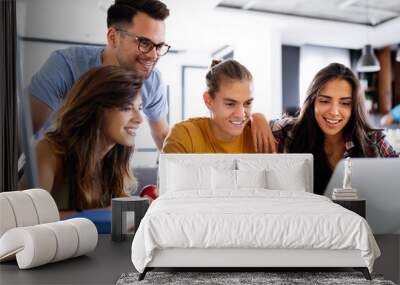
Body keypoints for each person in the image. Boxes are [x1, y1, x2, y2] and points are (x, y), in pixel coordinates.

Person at [29, 0, 170, 149]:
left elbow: (162, 135)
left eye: (159, 46)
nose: (154, 56)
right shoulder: (66, 66)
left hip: (105, 169)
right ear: (113, 37)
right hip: (54, 165)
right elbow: (20, 131)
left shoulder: (151, 81)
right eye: (144, 43)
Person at [19, 65, 143, 214]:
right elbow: (24, 219)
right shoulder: (48, 152)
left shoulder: (115, 161)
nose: (139, 119)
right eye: (127, 108)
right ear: (96, 109)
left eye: (139, 108)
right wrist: (104, 214)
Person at [270, 63, 399, 195]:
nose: (334, 112)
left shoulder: (374, 141)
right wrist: (257, 118)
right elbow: (251, 126)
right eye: (325, 101)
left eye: (345, 103)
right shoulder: (289, 131)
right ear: (312, 101)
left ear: (354, 107)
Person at [162, 59, 271, 154]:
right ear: (208, 100)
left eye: (247, 103)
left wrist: (258, 116)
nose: (241, 114)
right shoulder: (184, 137)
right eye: (230, 104)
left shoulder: (259, 137)